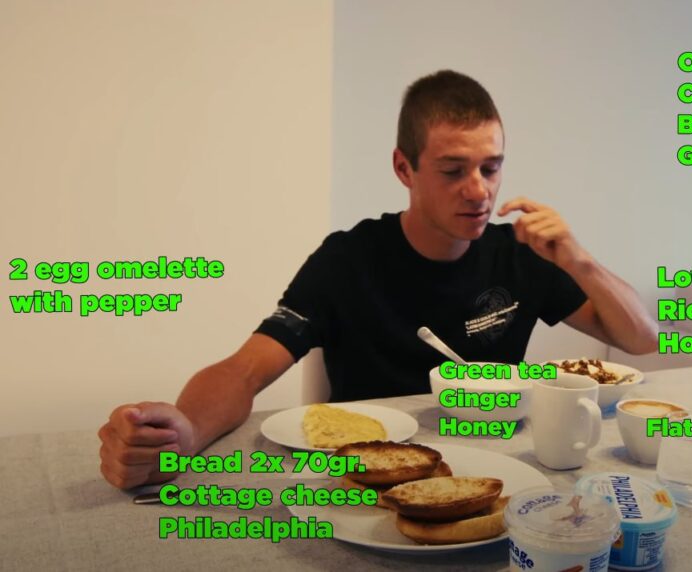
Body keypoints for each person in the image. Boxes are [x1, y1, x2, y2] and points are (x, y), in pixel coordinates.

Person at [98, 70, 658, 490]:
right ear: (403, 168)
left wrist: (580, 260)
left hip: (500, 472)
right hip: (367, 482)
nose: (480, 190)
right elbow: (245, 369)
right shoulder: (348, 259)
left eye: (491, 167)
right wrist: (185, 432)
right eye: (453, 170)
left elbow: (640, 340)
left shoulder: (521, 253)